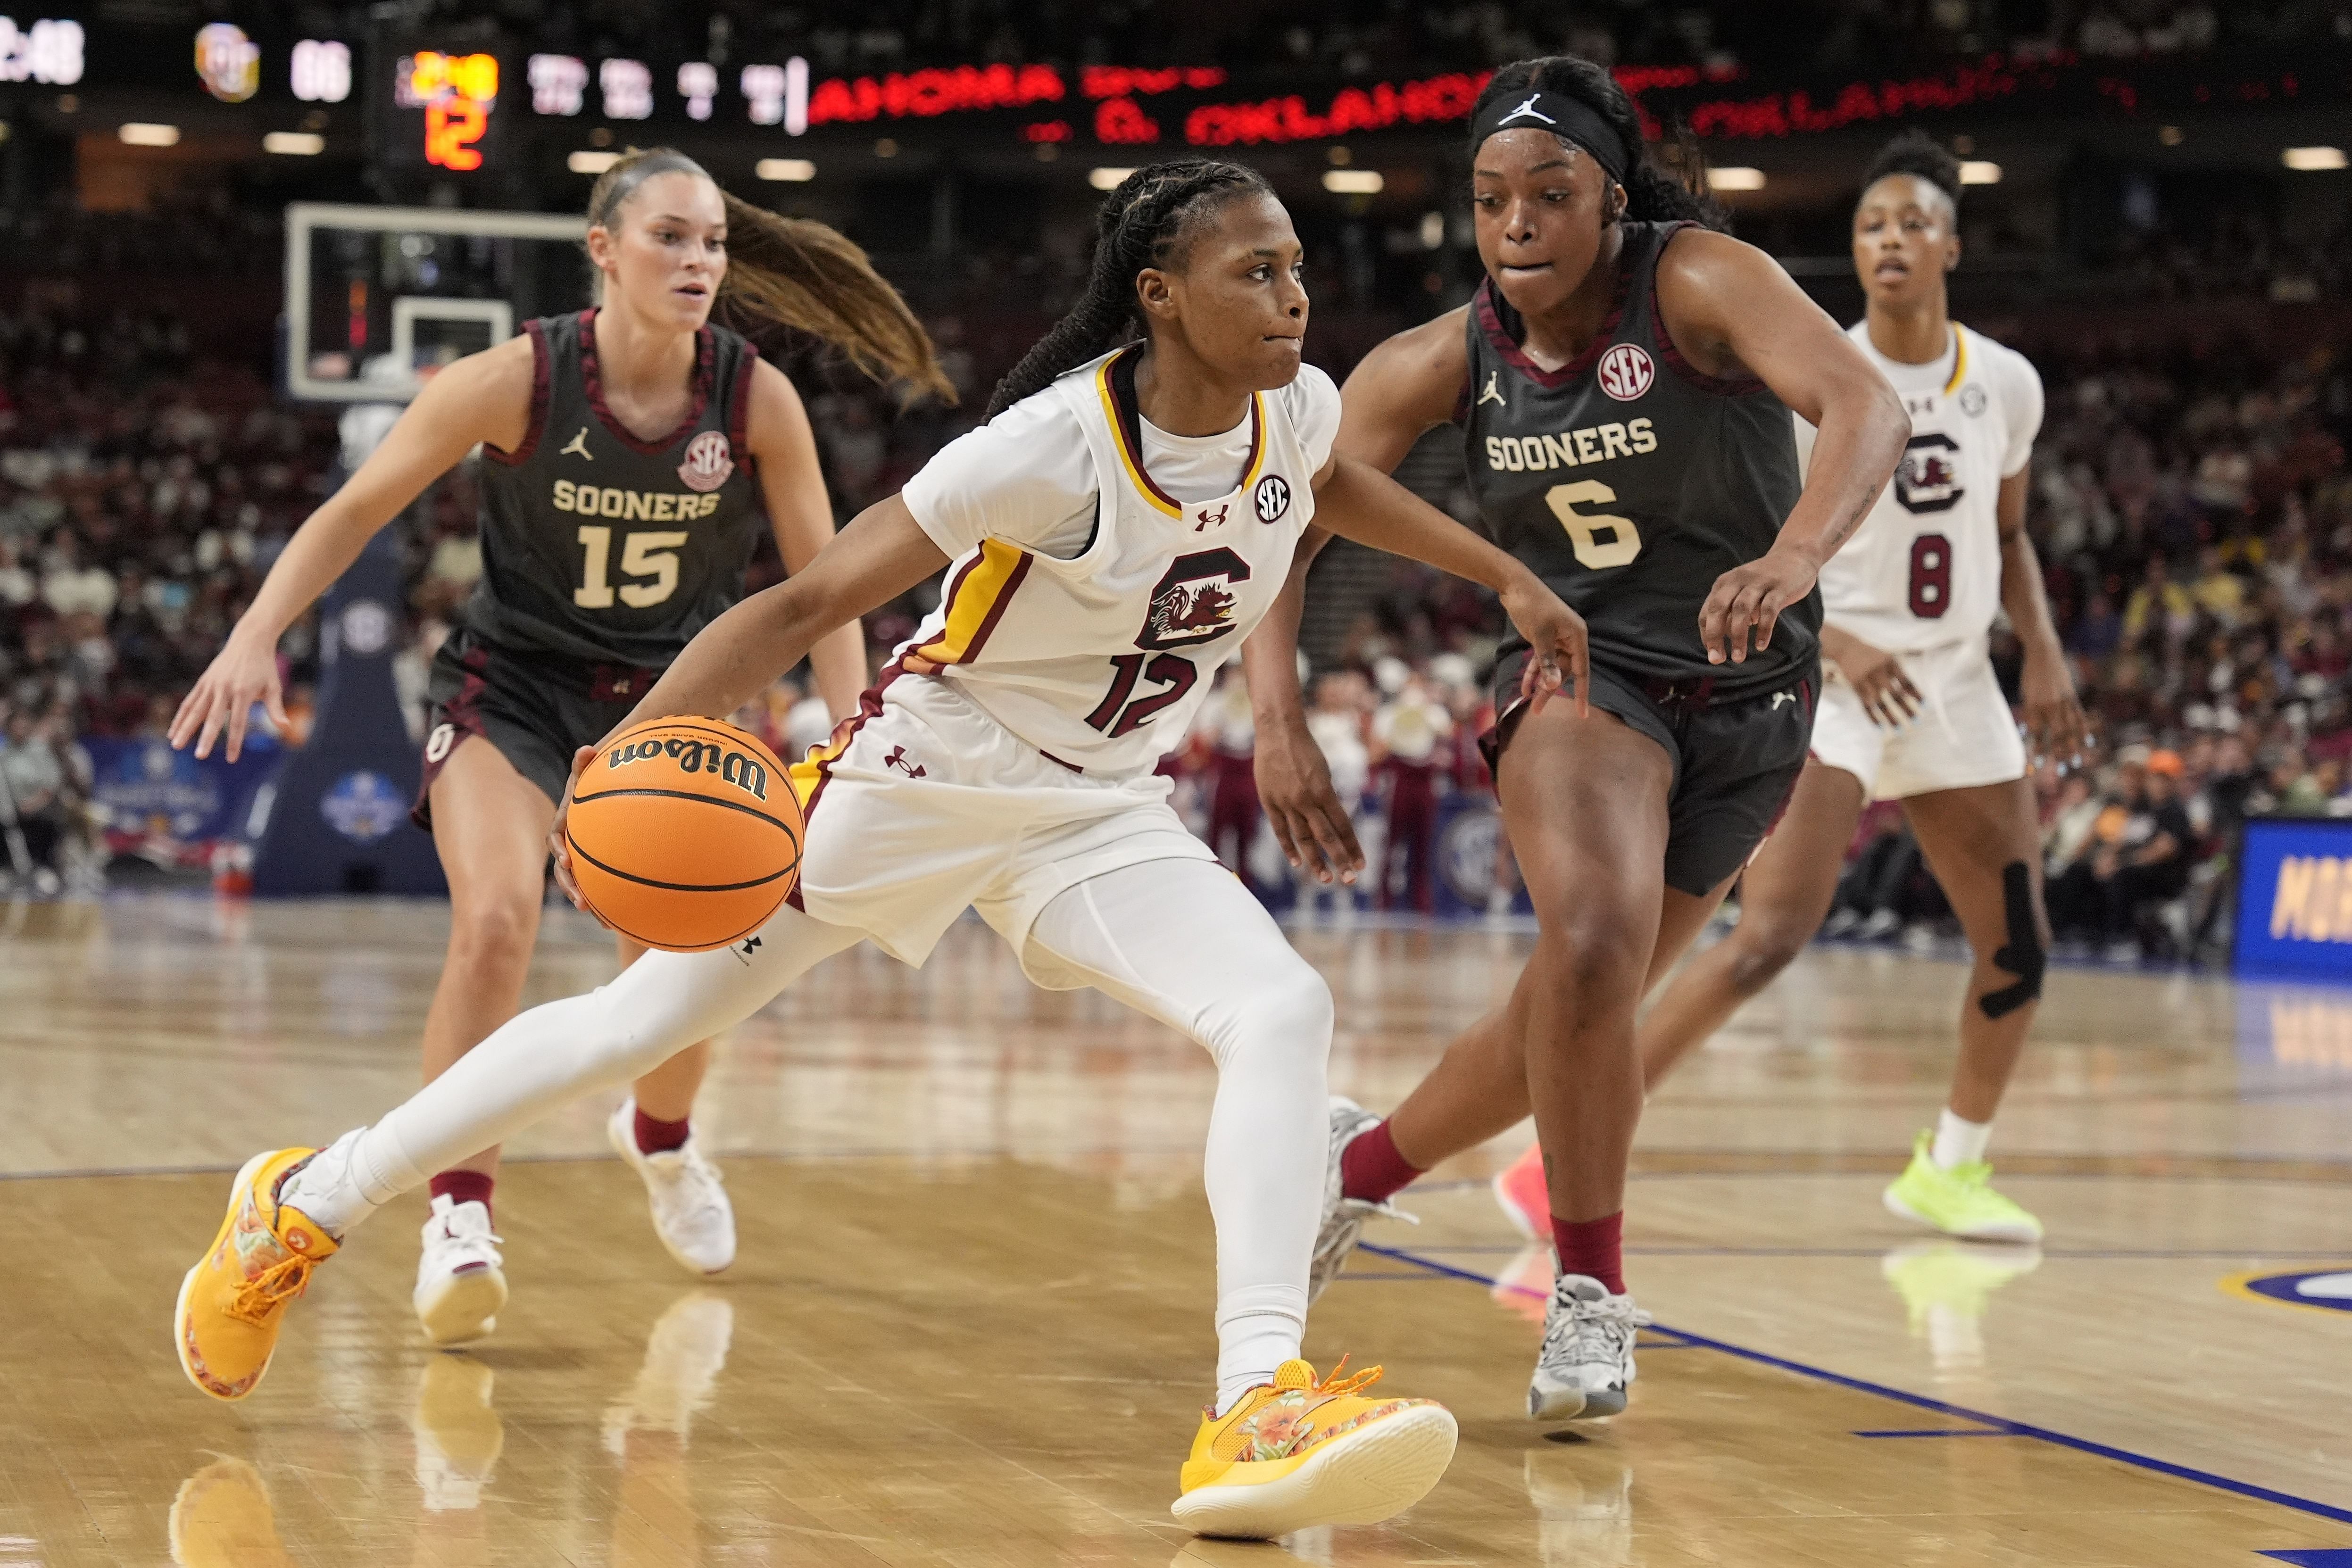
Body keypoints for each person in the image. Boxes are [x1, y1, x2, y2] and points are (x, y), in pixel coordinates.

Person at [173, 158, 1595, 1540]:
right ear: (1159, 295)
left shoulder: (1296, 411)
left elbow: (1329, 484)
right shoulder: (1046, 445)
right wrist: (636, 748)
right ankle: (303, 1199)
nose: (1295, 296)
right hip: (920, 775)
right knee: (641, 1020)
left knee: (1281, 1005)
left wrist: (1503, 572)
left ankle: (1254, 1399)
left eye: (1294, 268)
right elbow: (805, 599)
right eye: (1258, 271)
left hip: (1096, 807)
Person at [167, 149, 946, 1345]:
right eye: (671, 239)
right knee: (494, 923)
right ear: (604, 248)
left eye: (714, 244)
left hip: (676, 709)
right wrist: (256, 634)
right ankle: (459, 1209)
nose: (698, 263)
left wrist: (848, 738)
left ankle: (663, 1138)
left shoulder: (755, 401)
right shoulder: (519, 380)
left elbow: (826, 587)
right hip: (511, 688)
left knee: (682, 980)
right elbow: (354, 509)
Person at [1247, 54, 1909, 1421]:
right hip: (1580, 679)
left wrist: (1793, 558)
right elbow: (1274, 517)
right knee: (1598, 952)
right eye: (1491, 200)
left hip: (1753, 696)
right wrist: (1277, 714)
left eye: (1550, 194)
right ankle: (1593, 1294)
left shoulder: (1698, 282)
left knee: (1574, 997)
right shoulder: (1440, 358)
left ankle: (1352, 1168)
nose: (1518, 225)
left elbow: (1866, 404)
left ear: (1611, 198)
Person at [1481, 128, 2086, 1251]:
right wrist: (1843, 637)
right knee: (1765, 939)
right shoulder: (1802, 360)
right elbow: (1759, 531)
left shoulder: (2006, 380)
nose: (1889, 241)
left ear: (1952, 241)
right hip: (1832, 678)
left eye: (1911, 222)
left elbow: (2005, 535)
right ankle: (1554, 1156)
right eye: (1870, 226)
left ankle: (1952, 1168)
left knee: (2019, 944)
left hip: (1955, 682)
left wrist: (2039, 645)